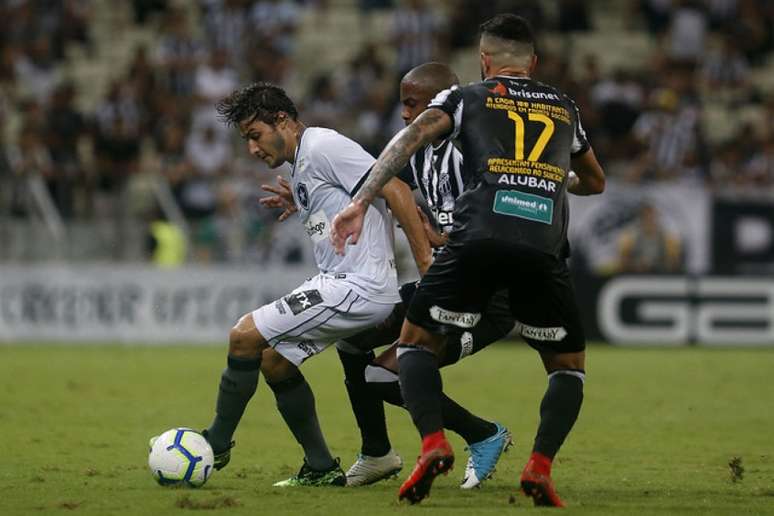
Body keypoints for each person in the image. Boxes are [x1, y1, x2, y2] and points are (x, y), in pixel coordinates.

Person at [331, 14, 605, 507]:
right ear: (534, 62)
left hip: (478, 255)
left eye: (411, 106)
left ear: (483, 62)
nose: (406, 115)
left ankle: (438, 442)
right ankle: (540, 467)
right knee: (567, 369)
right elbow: (596, 182)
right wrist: (547, 178)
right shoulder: (565, 106)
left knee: (410, 350)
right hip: (541, 249)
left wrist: (357, 201)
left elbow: (411, 138)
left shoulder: (467, 103)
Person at [188, 82, 433, 486]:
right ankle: (320, 466)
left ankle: (214, 444)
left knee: (243, 337)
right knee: (274, 359)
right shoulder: (303, 161)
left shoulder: (323, 146)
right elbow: (353, 200)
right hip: (340, 282)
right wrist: (306, 202)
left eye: (255, 135)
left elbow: (395, 188)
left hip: (360, 286)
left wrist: (426, 264)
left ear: (282, 120)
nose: (252, 149)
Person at [340, 62, 516, 490]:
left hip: (487, 298)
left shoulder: (477, 149)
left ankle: (482, 434)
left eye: (413, 104)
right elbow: (381, 180)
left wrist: (433, 246)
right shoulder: (421, 152)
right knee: (351, 336)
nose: (405, 115)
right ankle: (376, 453)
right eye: (403, 104)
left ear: (441, 102)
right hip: (447, 281)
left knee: (384, 376)